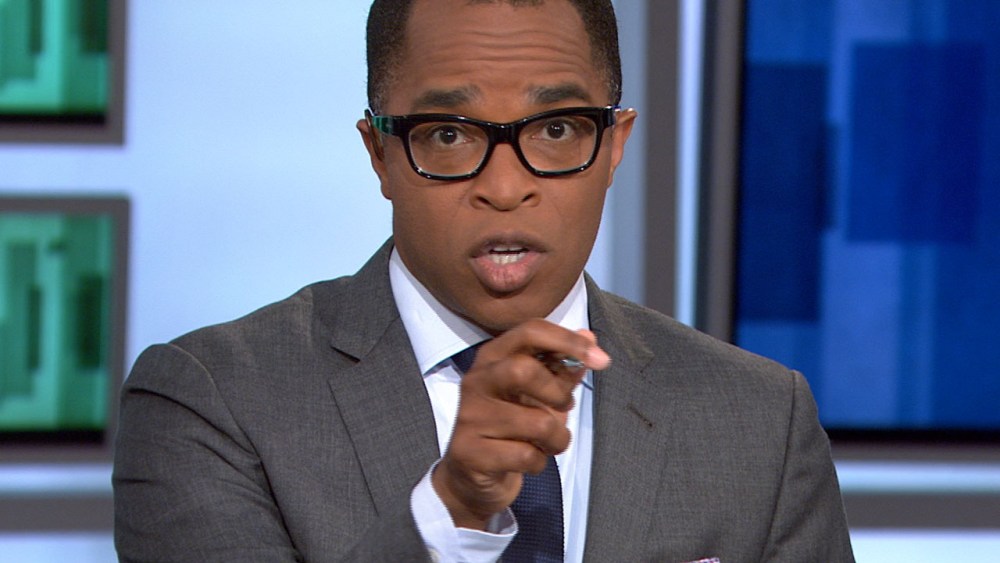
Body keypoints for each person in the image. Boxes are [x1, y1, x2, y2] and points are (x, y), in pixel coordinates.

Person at [113, 0, 856, 561]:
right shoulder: (211, 402)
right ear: (379, 154)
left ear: (614, 145)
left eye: (557, 129)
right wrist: (450, 513)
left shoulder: (760, 421)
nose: (505, 188)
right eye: (448, 134)